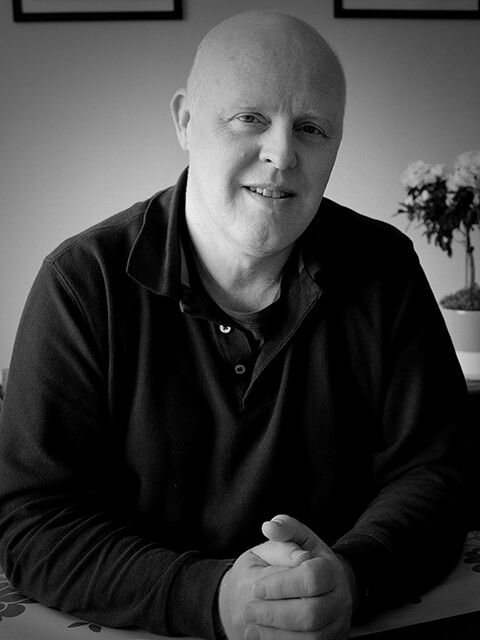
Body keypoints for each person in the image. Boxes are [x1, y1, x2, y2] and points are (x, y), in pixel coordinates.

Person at [0, 10, 471, 640]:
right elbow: (34, 518)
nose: (281, 154)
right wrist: (216, 597)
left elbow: (438, 470)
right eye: (250, 118)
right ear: (185, 121)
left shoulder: (385, 267)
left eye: (311, 128)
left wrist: (354, 575)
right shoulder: (81, 283)